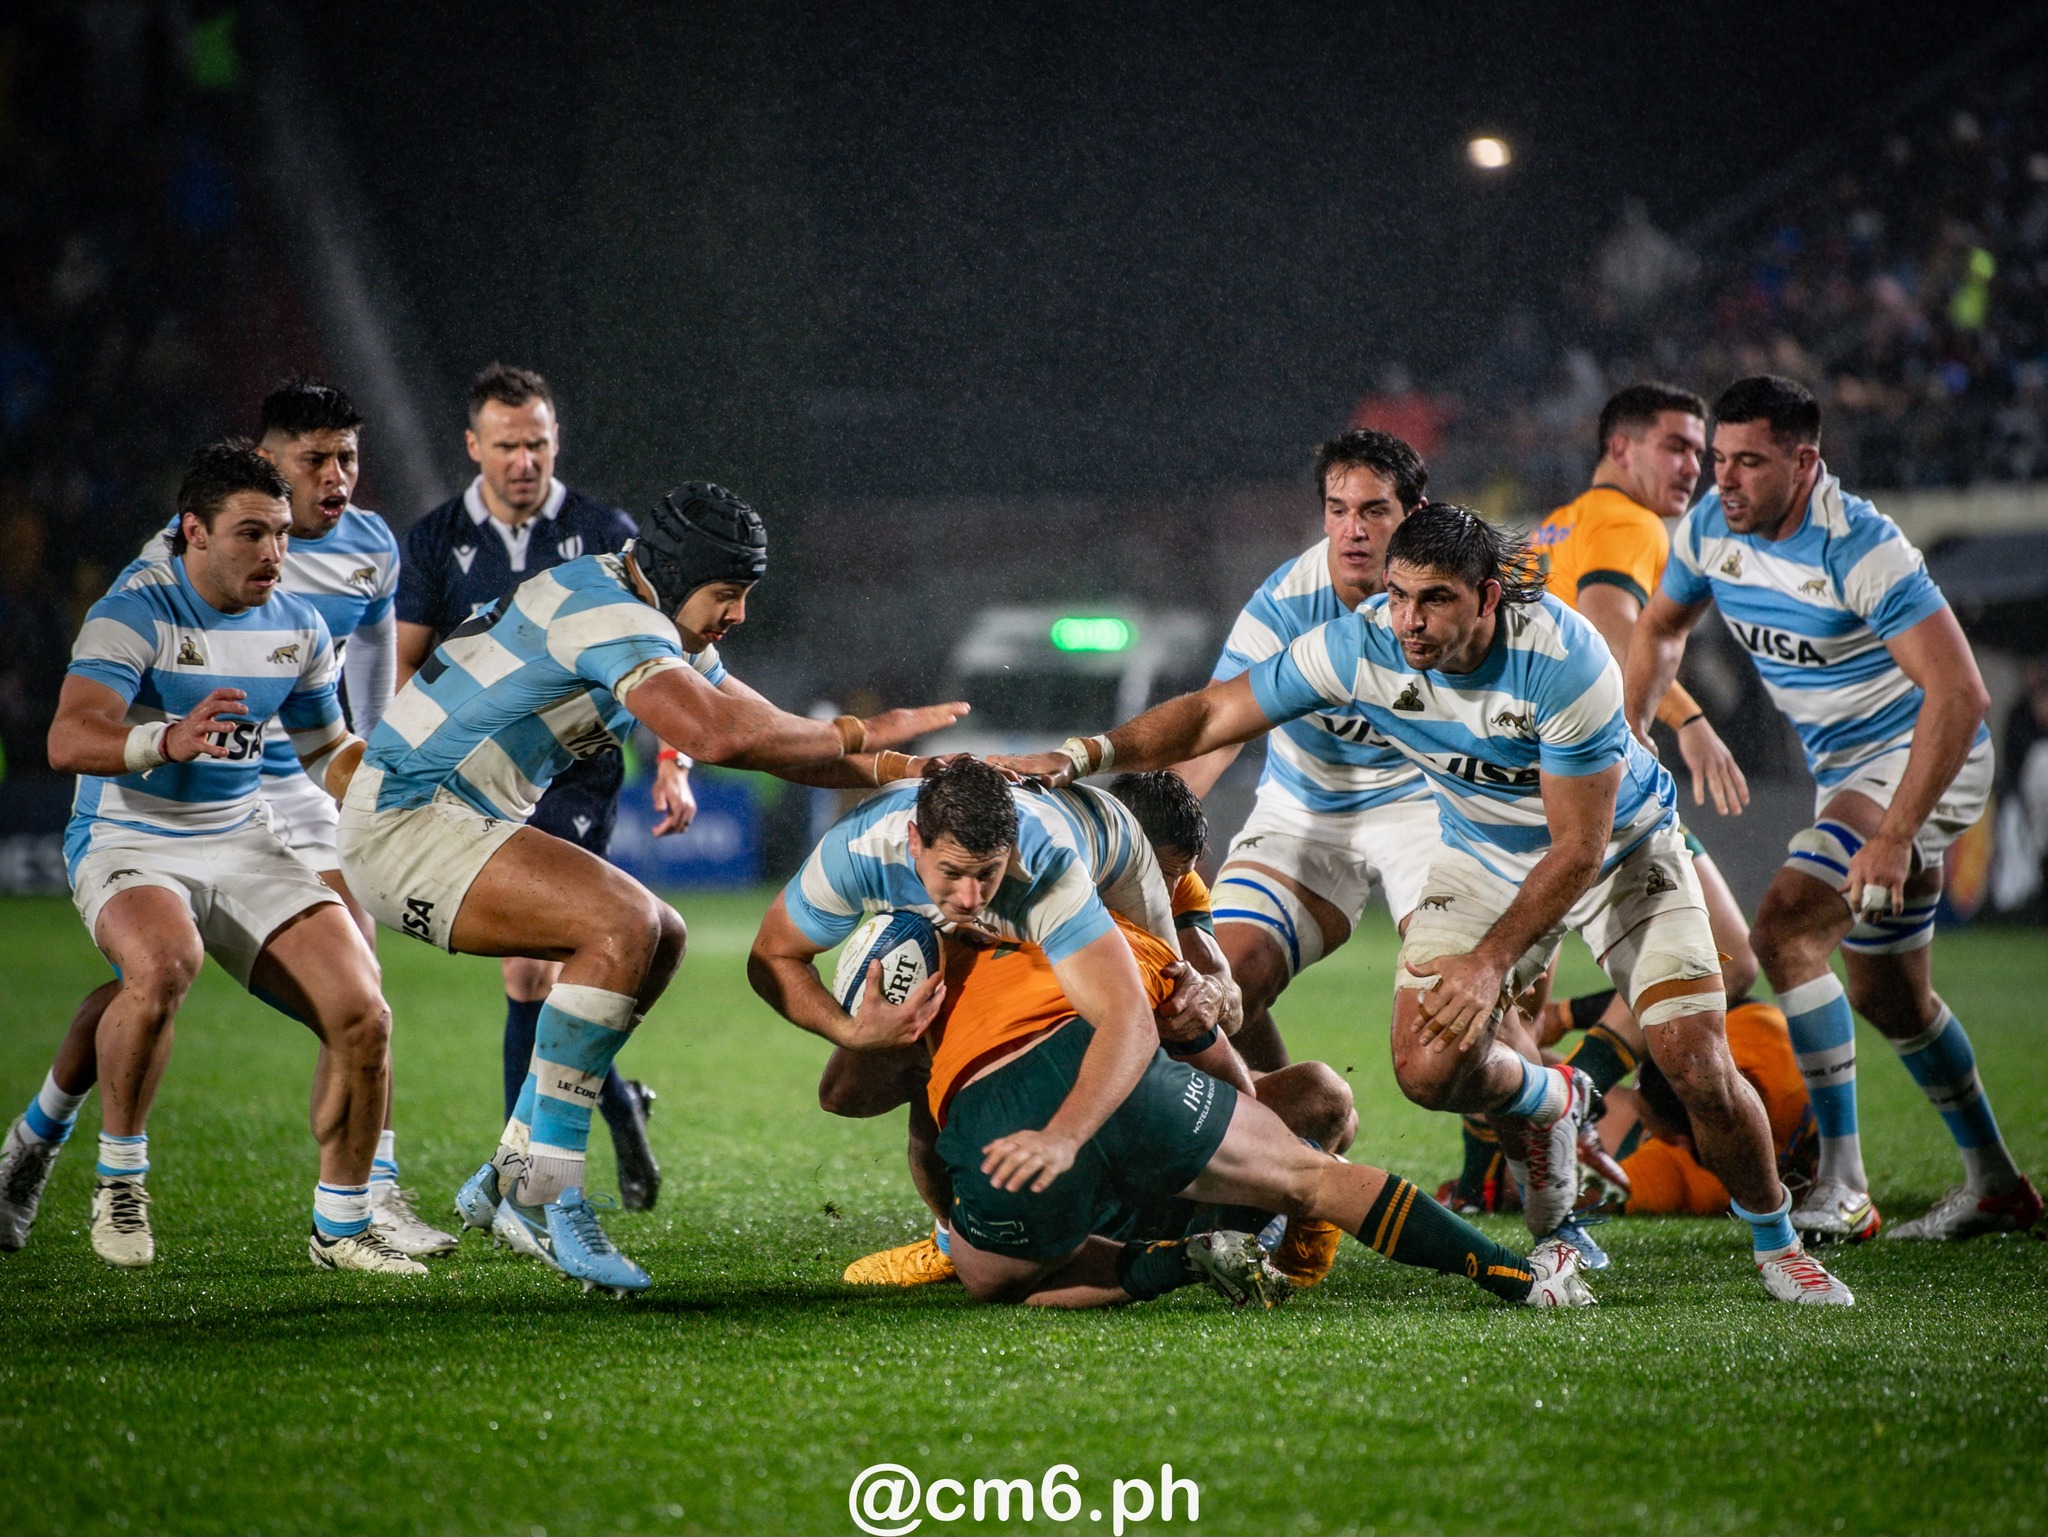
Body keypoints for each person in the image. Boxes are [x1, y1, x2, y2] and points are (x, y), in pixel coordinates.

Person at [994, 504, 1855, 1304]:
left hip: (1622, 854)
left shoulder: (1565, 657)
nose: (1407, 619)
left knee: (1696, 1062)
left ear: (1486, 597)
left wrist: (1488, 964)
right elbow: (1218, 711)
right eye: (1400, 596)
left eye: (1433, 601)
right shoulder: (1365, 643)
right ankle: (1553, 1099)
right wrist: (1086, 753)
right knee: (1426, 1067)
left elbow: (1577, 848)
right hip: (1483, 854)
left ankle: (1778, 1241)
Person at [340, 481, 964, 1293]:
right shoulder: (610, 612)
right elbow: (712, 734)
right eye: (728, 595)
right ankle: (550, 1191)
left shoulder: (641, 604)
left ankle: (506, 1172)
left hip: (455, 819)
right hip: (409, 821)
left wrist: (913, 772)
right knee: (623, 925)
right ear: (674, 577)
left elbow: (771, 736)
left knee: (657, 935)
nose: (737, 615)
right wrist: (857, 730)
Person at [749, 759, 1593, 1310]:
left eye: (986, 877)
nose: (968, 897)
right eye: (950, 876)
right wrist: (859, 1029)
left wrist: (1200, 1000)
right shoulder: (858, 856)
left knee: (1002, 1263)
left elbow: (1167, 988)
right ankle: (1516, 1275)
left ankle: (1026, 1237)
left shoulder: (1076, 880)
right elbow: (777, 964)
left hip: (1053, 1095)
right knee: (1299, 1139)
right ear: (911, 844)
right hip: (1094, 1084)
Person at [0, 378, 456, 1259]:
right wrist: (162, 740)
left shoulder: (302, 621)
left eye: (282, 533)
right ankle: (119, 1182)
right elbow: (65, 736)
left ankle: (347, 1220)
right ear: (194, 532)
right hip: (131, 834)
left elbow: (329, 748)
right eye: (255, 532)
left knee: (363, 1008)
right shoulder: (137, 603)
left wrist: (397, 787)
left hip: (247, 833)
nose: (277, 552)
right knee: (165, 965)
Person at [1625, 374, 2040, 1242]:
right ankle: (1998, 1184)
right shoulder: (1710, 529)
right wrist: (1640, 735)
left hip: (1928, 757)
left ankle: (1843, 1187)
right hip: (1848, 774)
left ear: (1805, 461)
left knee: (1784, 928)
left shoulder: (1862, 547)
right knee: (1889, 994)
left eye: (1748, 462)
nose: (1724, 480)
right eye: (1719, 460)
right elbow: (1660, 628)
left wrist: (1894, 835)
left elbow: (1960, 694)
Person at [393, 362, 672, 1210]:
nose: (525, 460)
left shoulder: (604, 530)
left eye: (539, 443)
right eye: (508, 445)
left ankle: (523, 1179)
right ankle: (616, 1105)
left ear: (557, 442)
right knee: (548, 971)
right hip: (477, 774)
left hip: (577, 770)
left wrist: (675, 760)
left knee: (531, 968)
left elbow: (659, 659)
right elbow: (404, 663)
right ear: (474, 446)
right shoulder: (436, 539)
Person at [1175, 429, 1435, 1074]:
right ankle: (1298, 1136)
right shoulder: (1285, 605)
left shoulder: (1455, 592)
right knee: (1217, 990)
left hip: (1430, 809)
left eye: (1374, 510)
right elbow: (1215, 726)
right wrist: (1151, 838)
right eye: (1337, 509)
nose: (1353, 530)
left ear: (1413, 516)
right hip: (1303, 811)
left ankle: (1542, 1125)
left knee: (1447, 1033)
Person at [1589, 999, 1817, 1218]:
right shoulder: (1763, 1035)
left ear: (1675, 1139)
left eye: (1645, 1117)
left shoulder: (1681, 1174)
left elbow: (1592, 1196)